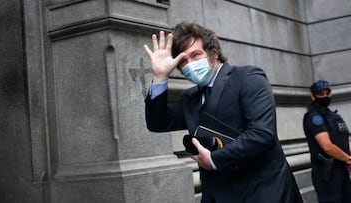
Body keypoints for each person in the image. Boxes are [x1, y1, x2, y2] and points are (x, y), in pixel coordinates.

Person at [143, 21, 303, 203]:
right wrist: (160, 77)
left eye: (196, 55)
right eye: (183, 61)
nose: (189, 64)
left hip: (263, 192)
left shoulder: (248, 78)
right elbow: (157, 123)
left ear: (214, 53)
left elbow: (262, 134)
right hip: (217, 194)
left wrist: (213, 159)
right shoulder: (189, 98)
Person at [303, 80, 351, 203]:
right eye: (321, 94)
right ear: (313, 97)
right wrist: (348, 159)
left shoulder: (335, 117)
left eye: (327, 93)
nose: (325, 96)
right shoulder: (314, 117)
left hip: (342, 169)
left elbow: (345, 140)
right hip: (327, 172)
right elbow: (327, 146)